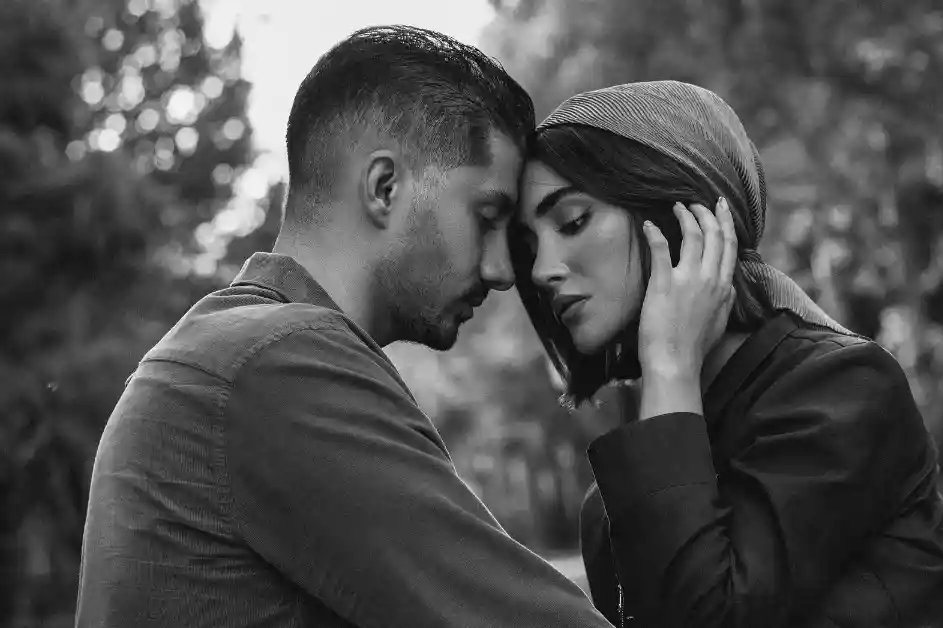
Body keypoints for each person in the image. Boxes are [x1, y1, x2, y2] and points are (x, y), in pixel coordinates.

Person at [75, 26, 614, 628]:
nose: (502, 270)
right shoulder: (280, 363)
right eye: (486, 217)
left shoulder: (216, 352)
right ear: (385, 188)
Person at [509, 80, 943, 628]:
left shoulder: (841, 392)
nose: (541, 270)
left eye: (572, 222)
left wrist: (670, 363)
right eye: (528, 246)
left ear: (678, 214)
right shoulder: (613, 510)